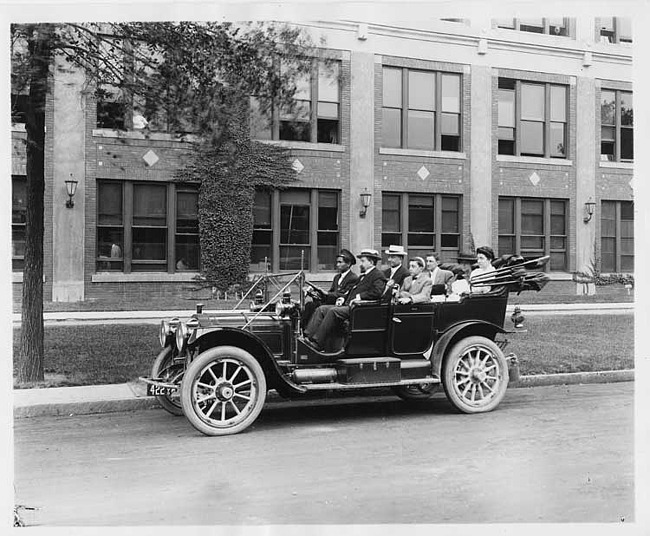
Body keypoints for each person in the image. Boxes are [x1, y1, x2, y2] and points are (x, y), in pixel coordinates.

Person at [303, 249, 387, 352]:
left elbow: (377, 292)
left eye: (363, 261)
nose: (361, 264)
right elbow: (351, 291)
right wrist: (343, 298)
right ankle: (307, 337)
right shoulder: (363, 276)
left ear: (371, 262)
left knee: (333, 311)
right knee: (322, 309)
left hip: (360, 309)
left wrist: (360, 297)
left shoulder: (377, 275)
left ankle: (318, 343)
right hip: (349, 305)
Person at [301, 249, 359, 329]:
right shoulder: (337, 277)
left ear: (348, 264)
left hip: (340, 305)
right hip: (331, 302)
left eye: (340, 262)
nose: (337, 264)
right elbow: (331, 292)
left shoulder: (353, 278)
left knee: (315, 308)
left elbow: (345, 295)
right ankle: (303, 331)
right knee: (309, 305)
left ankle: (308, 333)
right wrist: (316, 294)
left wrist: (327, 294)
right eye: (337, 262)